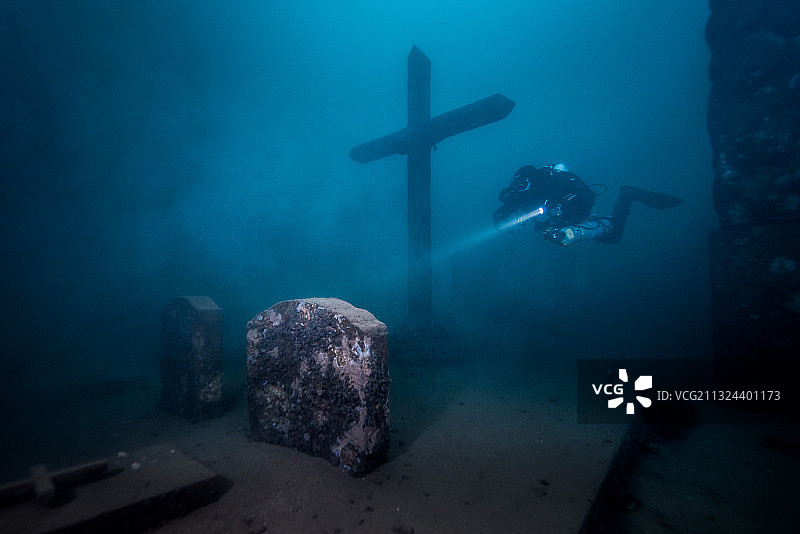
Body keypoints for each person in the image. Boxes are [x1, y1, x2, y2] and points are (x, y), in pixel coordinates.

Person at [493, 164, 682, 245]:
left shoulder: (555, 182)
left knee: (613, 237)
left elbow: (583, 193)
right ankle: (619, 205)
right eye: (517, 185)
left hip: (580, 212)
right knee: (610, 238)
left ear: (533, 180)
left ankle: (627, 195)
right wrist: (500, 220)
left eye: (523, 184)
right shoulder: (523, 195)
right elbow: (506, 208)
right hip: (564, 222)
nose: (520, 189)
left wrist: (558, 209)